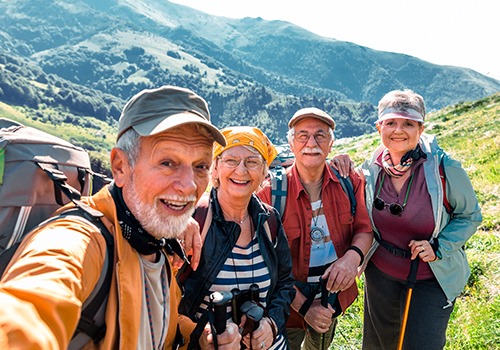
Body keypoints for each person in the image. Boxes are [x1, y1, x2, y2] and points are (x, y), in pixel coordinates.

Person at [0, 85, 243, 349]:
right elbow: (28, 310)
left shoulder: (155, 243)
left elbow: (157, 324)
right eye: (167, 163)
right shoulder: (77, 243)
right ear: (120, 166)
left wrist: (199, 338)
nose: (188, 185)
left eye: (200, 166)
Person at [335, 89, 482, 349]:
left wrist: (438, 247)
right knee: (379, 345)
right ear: (379, 126)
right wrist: (338, 162)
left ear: (421, 128)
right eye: (390, 122)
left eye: (408, 124)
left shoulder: (444, 169)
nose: (398, 130)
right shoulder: (371, 169)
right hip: (380, 275)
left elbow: (470, 216)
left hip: (429, 278)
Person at [257, 108, 373, 350]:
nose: (311, 143)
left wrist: (352, 259)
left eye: (320, 136)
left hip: (331, 296)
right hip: (285, 303)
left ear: (331, 144)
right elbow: (266, 264)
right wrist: (305, 307)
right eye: (302, 136)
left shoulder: (349, 181)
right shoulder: (271, 193)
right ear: (291, 143)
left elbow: (364, 229)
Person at [178, 126, 295, 349]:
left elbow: (285, 284)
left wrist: (271, 325)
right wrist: (200, 334)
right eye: (231, 160)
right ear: (215, 168)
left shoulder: (268, 219)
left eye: (252, 162)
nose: (241, 171)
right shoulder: (195, 221)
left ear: (263, 173)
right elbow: (167, 295)